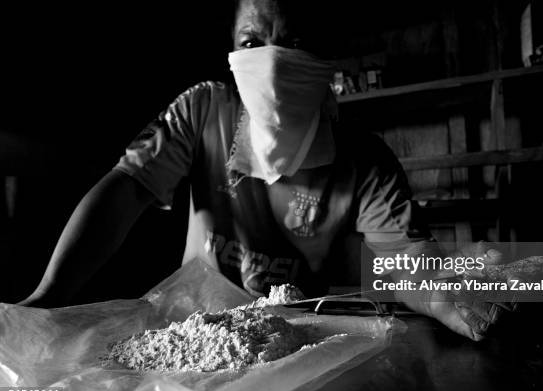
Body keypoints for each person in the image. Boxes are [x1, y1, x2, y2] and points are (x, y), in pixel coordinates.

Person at [18, 0, 513, 341]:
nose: (272, 63)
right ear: (232, 51)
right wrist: (49, 295)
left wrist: (447, 293)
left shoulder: (364, 158)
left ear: (323, 58)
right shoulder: (203, 111)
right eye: (252, 41)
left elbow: (405, 259)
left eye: (293, 41)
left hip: (297, 340)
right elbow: (126, 189)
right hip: (194, 331)